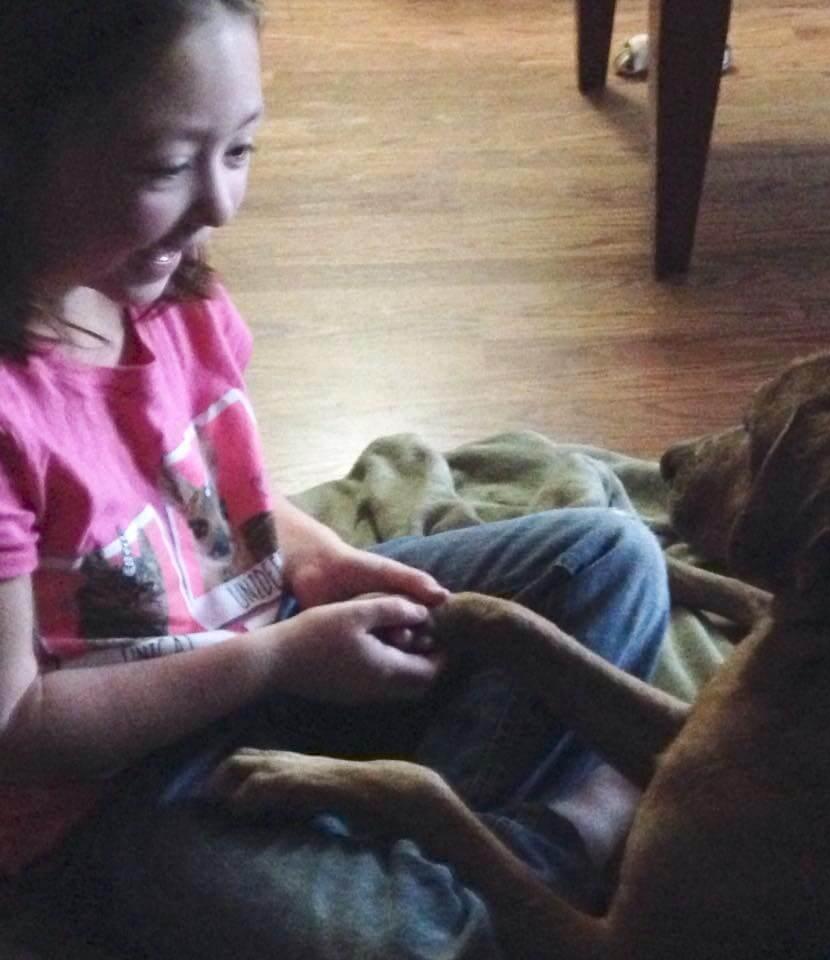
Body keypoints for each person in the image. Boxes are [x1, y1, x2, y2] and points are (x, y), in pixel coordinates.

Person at [0, 2, 671, 957]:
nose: (220, 205)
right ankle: (560, 838)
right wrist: (273, 662)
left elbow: (208, 502)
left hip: (272, 652)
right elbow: (18, 727)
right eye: (166, 167)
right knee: (373, 937)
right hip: (118, 791)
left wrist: (320, 561)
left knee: (611, 559)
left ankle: (422, 850)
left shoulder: (166, 286)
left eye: (240, 150)